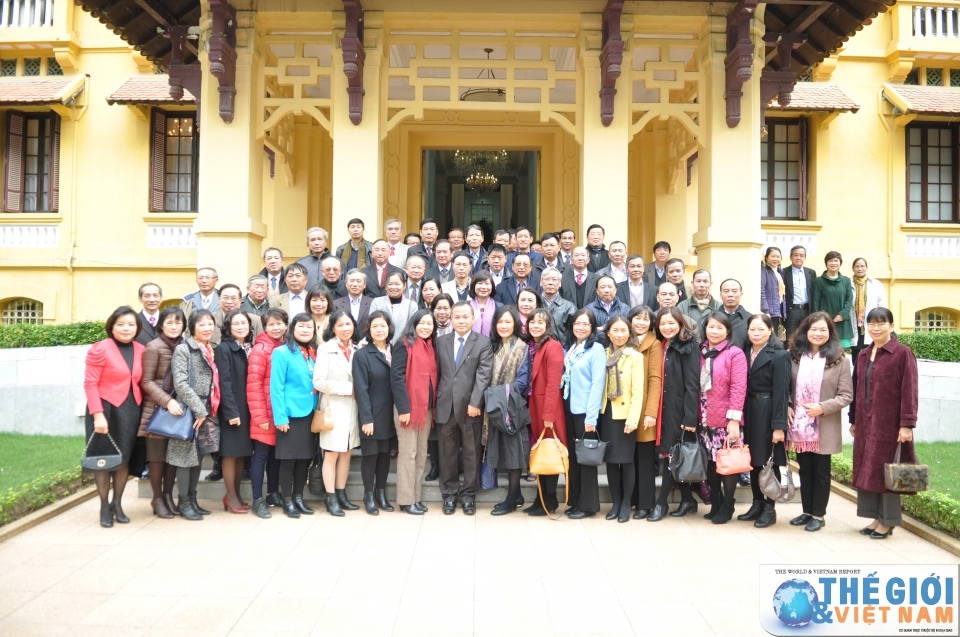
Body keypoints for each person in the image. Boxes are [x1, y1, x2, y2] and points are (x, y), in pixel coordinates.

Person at [850, 308, 917, 539]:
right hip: (865, 422)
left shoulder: (902, 353)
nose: (876, 328)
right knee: (867, 468)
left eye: (881, 323)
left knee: (888, 471)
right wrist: (853, 419)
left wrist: (907, 424)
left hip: (889, 423)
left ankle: (888, 521)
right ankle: (876, 516)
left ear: (892, 326)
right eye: (871, 324)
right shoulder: (862, 354)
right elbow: (857, 388)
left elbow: (910, 390)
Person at [787, 312, 854, 532]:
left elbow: (846, 395)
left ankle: (819, 515)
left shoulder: (840, 360)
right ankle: (806, 512)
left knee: (821, 472)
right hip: (799, 425)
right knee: (804, 470)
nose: (818, 333)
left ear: (830, 333)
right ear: (805, 331)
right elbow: (786, 387)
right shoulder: (793, 356)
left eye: (823, 329)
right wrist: (788, 406)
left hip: (824, 424)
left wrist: (822, 408)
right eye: (813, 329)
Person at [84, 307, 145, 527]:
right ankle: (103, 505)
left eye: (130, 324)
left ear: (137, 328)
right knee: (104, 459)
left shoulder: (141, 349)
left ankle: (117, 503)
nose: (126, 328)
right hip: (105, 408)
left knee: (123, 459)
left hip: (131, 409)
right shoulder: (100, 348)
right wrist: (98, 415)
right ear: (112, 326)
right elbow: (90, 383)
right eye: (120, 324)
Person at [435, 301, 494, 515]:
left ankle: (468, 496)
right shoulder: (441, 342)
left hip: (471, 408)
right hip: (444, 407)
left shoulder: (483, 343)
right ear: (451, 318)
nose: (461, 321)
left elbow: (484, 375)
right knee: (447, 454)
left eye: (465, 317)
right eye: (457, 317)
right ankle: (449, 495)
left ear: (473, 318)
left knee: (471, 454)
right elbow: (437, 374)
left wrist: (476, 403)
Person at [738, 313, 791, 528]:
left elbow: (782, 393)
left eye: (761, 329)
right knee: (753, 461)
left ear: (770, 330)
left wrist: (779, 426)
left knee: (770, 461)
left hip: (768, 411)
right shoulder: (743, 352)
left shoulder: (780, 355)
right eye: (752, 329)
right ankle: (757, 503)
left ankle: (770, 508)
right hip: (748, 410)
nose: (756, 333)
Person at [648, 306, 700, 522]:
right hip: (662, 408)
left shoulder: (687, 346)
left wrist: (690, 418)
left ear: (680, 323)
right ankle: (688, 498)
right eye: (663, 323)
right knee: (670, 452)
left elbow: (692, 385)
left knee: (671, 455)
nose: (667, 327)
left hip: (678, 411)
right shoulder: (660, 344)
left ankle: (661, 503)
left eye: (671, 323)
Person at [168, 308, 220, 521]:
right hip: (188, 409)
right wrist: (199, 409)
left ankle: (193, 499)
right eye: (202, 324)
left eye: (210, 324)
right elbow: (180, 383)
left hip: (207, 410)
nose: (207, 328)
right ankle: (183, 502)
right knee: (185, 458)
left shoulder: (211, 348)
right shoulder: (184, 349)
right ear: (192, 327)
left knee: (198, 457)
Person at [698, 312, 748, 524]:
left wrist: (734, 420)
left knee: (727, 462)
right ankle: (716, 502)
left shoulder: (734, 354)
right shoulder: (701, 351)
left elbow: (738, 387)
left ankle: (728, 503)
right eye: (711, 327)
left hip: (726, 419)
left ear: (728, 330)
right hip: (703, 416)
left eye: (720, 327)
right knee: (710, 463)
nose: (715, 331)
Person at [480, 306, 530, 515]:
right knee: (500, 450)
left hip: (511, 407)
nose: (503, 326)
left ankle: (511, 498)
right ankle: (517, 495)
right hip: (491, 408)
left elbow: (522, 381)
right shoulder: (490, 347)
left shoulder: (522, 348)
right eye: (500, 322)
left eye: (508, 322)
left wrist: (496, 396)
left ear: (515, 324)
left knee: (513, 454)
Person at [270, 313, 320, 518]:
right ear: (292, 329)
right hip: (290, 414)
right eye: (301, 326)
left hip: (311, 412)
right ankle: (287, 500)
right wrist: (280, 417)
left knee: (304, 458)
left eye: (310, 327)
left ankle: (299, 497)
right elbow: (276, 387)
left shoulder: (313, 352)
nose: (306, 330)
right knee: (288, 459)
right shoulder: (282, 352)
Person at [139, 305, 186, 519]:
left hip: (178, 413)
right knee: (157, 459)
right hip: (157, 411)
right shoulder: (153, 347)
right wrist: (167, 401)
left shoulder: (184, 346)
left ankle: (168, 496)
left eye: (178, 322)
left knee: (172, 458)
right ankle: (156, 497)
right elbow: (146, 381)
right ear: (161, 325)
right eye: (169, 322)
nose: (174, 326)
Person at [313, 310, 361, 516]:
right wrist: (348, 389)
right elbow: (318, 382)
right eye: (340, 325)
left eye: (348, 324)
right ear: (332, 328)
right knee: (331, 453)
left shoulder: (358, 349)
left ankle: (341, 494)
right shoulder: (325, 349)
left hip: (354, 409)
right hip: (334, 408)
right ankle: (330, 496)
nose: (345, 328)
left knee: (347, 452)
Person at [599, 314, 645, 523]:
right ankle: (615, 502)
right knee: (610, 462)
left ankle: (626, 503)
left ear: (629, 333)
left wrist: (633, 420)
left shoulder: (635, 356)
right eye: (615, 330)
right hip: (606, 413)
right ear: (608, 333)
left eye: (623, 330)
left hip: (625, 415)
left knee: (626, 461)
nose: (619, 334)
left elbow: (638, 392)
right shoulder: (602, 353)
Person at [561, 308, 606, 519]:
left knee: (586, 459)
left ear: (592, 328)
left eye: (585, 324)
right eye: (577, 323)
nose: (580, 327)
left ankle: (588, 505)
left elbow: (598, 383)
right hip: (570, 408)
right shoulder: (573, 348)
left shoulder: (596, 349)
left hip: (585, 412)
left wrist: (591, 417)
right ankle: (575, 500)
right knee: (574, 458)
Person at [391, 309, 437, 515]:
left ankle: (415, 497)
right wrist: (403, 408)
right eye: (422, 323)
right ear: (414, 323)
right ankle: (406, 499)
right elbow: (396, 377)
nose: (426, 327)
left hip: (426, 408)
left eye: (430, 323)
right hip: (408, 408)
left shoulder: (430, 346)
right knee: (408, 454)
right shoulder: (404, 344)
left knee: (419, 455)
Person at [353, 311, 399, 515]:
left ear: (389, 328)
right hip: (371, 415)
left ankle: (381, 493)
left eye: (383, 326)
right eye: (375, 326)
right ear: (368, 330)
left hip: (391, 415)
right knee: (370, 456)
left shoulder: (396, 351)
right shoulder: (362, 354)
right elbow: (360, 389)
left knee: (384, 457)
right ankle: (369, 495)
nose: (379, 330)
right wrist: (366, 418)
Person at [523, 308, 567, 516]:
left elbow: (553, 384)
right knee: (540, 451)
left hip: (549, 409)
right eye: (532, 322)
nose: (536, 326)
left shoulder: (553, 346)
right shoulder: (533, 346)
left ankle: (549, 500)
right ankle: (540, 498)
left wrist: (549, 415)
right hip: (535, 407)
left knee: (549, 452)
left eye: (541, 322)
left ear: (548, 325)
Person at [246, 308, 287, 519]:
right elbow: (253, 385)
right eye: (271, 324)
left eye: (279, 323)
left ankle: (272, 494)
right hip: (264, 414)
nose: (276, 327)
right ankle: (257, 499)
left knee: (275, 457)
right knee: (261, 457)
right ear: (264, 327)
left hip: (278, 413)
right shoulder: (260, 349)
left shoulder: (284, 346)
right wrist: (260, 417)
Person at [214, 308, 255, 514]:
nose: (241, 327)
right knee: (230, 454)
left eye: (244, 323)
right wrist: (231, 412)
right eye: (236, 323)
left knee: (241, 454)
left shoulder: (249, 347)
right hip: (233, 408)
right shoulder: (224, 348)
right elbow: (224, 382)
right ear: (229, 328)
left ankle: (236, 494)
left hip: (247, 408)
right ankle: (230, 496)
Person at [625, 306, 661, 519]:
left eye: (645, 320)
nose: (641, 323)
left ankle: (645, 503)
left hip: (644, 409)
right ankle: (632, 499)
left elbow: (655, 380)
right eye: (637, 318)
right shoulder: (623, 340)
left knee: (645, 460)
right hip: (625, 409)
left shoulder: (653, 344)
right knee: (630, 458)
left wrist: (651, 412)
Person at [849, 258, 888, 368]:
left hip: (871, 322)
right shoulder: (848, 283)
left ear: (866, 268)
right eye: (857, 266)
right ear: (853, 268)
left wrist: (881, 320)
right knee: (856, 352)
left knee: (872, 350)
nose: (860, 268)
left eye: (862, 266)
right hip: (854, 323)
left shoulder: (875, 283)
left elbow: (882, 303)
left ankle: (870, 378)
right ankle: (857, 377)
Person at [813, 250, 854, 348]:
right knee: (825, 350)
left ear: (840, 263)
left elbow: (849, 299)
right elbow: (815, 302)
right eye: (830, 261)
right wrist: (818, 319)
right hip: (825, 321)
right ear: (826, 263)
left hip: (842, 321)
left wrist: (842, 314)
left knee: (841, 351)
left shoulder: (846, 280)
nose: (833, 263)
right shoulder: (818, 281)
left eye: (836, 261)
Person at [370, 271, 417, 343]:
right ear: (385, 286)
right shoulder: (377, 302)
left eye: (397, 284)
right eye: (390, 284)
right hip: (381, 345)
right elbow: (372, 325)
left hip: (403, 346)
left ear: (404, 286)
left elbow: (412, 329)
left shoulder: (411, 305)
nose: (393, 287)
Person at [784, 245, 816, 339]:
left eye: (801, 255)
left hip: (807, 310)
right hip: (792, 310)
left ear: (805, 257)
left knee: (807, 336)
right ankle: (791, 354)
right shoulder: (783, 272)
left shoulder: (811, 272)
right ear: (791, 257)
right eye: (796, 255)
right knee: (791, 337)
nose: (798, 257)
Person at [539, 267, 576, 345]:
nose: (550, 283)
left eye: (554, 279)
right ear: (541, 282)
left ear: (559, 283)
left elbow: (573, 334)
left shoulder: (569, 307)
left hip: (562, 349)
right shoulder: (534, 304)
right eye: (547, 279)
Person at [760, 247, 787, 339]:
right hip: (769, 311)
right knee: (770, 336)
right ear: (766, 257)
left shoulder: (779, 271)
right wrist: (765, 311)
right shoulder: (764, 270)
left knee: (775, 337)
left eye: (778, 256)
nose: (776, 259)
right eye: (773, 256)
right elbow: (761, 291)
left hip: (777, 310)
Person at [719, 278, 752, 346]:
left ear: (741, 294)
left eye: (734, 291)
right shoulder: (711, 318)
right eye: (726, 291)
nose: (730, 295)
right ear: (721, 295)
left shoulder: (750, 319)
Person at [469, 271, 498, 337]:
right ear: (473, 286)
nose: (484, 287)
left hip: (492, 344)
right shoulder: (466, 306)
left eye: (487, 283)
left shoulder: (498, 306)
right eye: (480, 283)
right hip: (470, 344)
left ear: (492, 286)